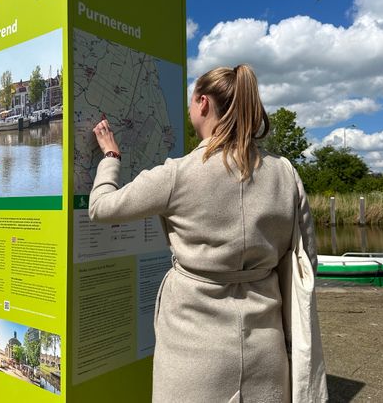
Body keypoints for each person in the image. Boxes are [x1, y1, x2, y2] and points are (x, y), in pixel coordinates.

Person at [89, 64, 327, 402]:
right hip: (266, 353)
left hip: (193, 360)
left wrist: (111, 156)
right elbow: (307, 260)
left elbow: (102, 208)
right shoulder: (284, 173)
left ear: (203, 104)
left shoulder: (178, 174)